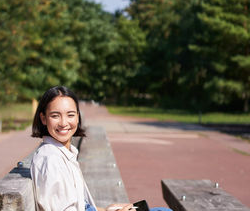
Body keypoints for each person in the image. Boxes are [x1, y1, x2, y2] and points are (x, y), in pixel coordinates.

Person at [30, 86, 170, 211]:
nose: (63, 123)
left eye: (70, 115)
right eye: (55, 116)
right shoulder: (51, 160)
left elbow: (78, 206)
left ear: (78, 117)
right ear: (43, 118)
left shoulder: (62, 152)